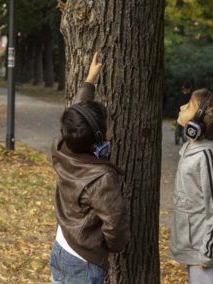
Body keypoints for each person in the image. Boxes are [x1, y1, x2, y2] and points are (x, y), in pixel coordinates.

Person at [49, 53, 130, 283]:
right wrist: (115, 246)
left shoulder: (61, 149)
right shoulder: (102, 178)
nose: (110, 130)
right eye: (107, 127)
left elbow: (76, 117)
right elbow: (115, 222)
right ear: (98, 139)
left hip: (62, 247)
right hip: (85, 260)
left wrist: (89, 81)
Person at [170, 88, 213, 284]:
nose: (182, 106)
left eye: (188, 106)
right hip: (196, 249)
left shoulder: (209, 156)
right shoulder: (194, 148)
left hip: (206, 254)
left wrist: (209, 251)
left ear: (197, 122)